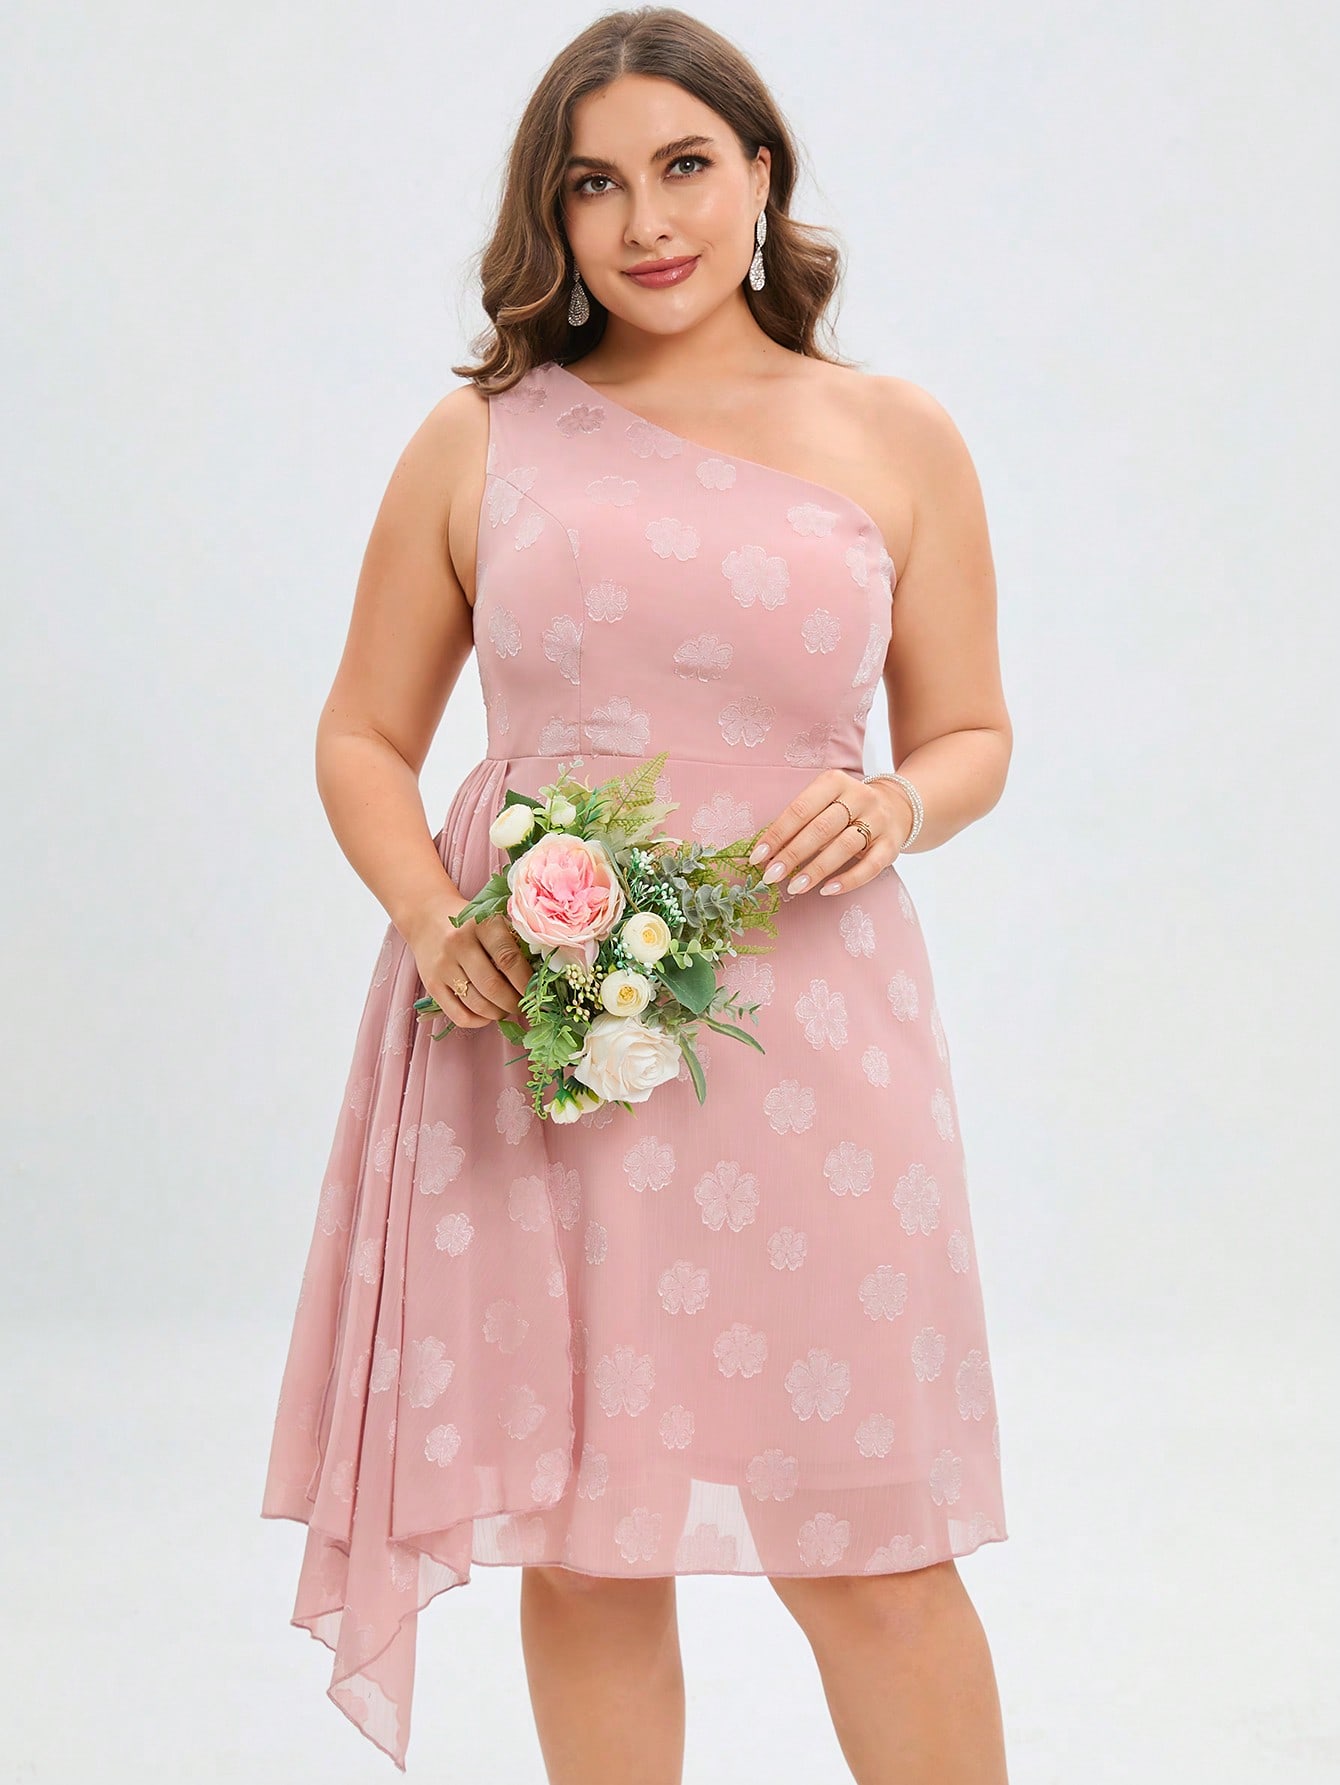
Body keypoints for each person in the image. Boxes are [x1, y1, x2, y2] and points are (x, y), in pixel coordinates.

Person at [261, 8, 1014, 1781]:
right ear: (554, 214)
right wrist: (431, 917)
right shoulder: (482, 439)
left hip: (816, 1037)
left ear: (761, 174)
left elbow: (972, 729)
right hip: (542, 1039)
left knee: (874, 1545)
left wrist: (899, 800)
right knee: (589, 1541)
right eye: (593, 184)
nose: (647, 219)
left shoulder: (893, 431)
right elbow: (363, 732)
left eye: (684, 166)